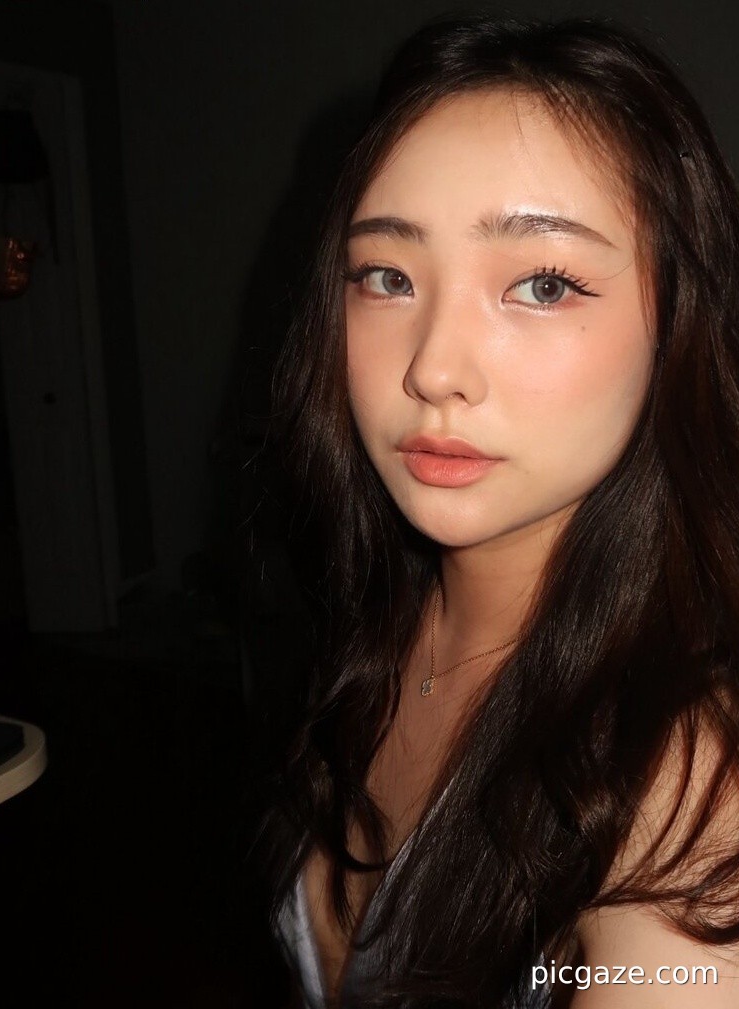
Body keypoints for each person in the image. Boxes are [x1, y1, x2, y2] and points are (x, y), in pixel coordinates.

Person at [251, 13, 739, 1009]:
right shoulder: (376, 614)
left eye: (543, 284)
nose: (432, 368)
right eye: (388, 276)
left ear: (678, 324)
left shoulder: (686, 796)